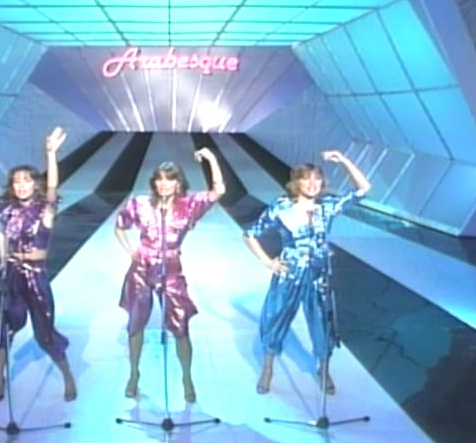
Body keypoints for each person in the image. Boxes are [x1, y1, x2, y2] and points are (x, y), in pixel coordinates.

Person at [243, 150, 371, 395]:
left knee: (322, 322)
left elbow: (363, 189)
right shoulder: (281, 208)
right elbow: (250, 235)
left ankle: (323, 368)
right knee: (275, 317)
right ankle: (268, 368)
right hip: (290, 273)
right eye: (306, 179)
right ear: (296, 182)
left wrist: (344, 160)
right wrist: (268, 262)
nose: (313, 184)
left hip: (319, 275)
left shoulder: (327, 207)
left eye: (317, 179)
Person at [114, 149, 225, 403]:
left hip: (171, 269)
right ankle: (134, 374)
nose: (164, 184)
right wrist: (131, 251)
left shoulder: (189, 206)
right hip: (141, 269)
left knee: (181, 328)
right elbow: (119, 227)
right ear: (154, 183)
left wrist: (211, 159)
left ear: (178, 183)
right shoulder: (139, 204)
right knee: (135, 325)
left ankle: (187, 377)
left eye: (169, 179)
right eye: (159, 179)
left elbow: (219, 190)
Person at [0, 126, 77, 403]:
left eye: (26, 181)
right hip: (12, 275)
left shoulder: (44, 211)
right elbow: (1, 234)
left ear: (34, 184)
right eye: (17, 182)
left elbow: (52, 189)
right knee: (3, 328)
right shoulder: (8, 211)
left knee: (44, 332)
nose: (21, 186)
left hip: (35, 277)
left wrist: (50, 153)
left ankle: (67, 375)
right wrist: (2, 260)